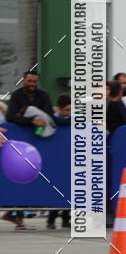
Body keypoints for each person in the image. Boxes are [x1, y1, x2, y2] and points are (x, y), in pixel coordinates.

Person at [47, 95, 72, 229]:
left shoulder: (73, 120)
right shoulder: (52, 120)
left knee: (68, 190)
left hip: (68, 158)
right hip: (55, 159)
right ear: (59, 109)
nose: (68, 113)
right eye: (66, 110)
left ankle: (66, 218)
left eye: (70, 110)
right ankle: (51, 219)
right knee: (56, 191)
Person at [6, 70, 55, 135]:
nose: (32, 84)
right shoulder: (16, 95)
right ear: (23, 81)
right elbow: (10, 116)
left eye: (34, 81)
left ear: (38, 82)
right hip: (20, 132)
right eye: (29, 81)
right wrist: (31, 121)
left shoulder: (44, 95)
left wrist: (21, 114)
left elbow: (48, 114)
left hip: (41, 131)